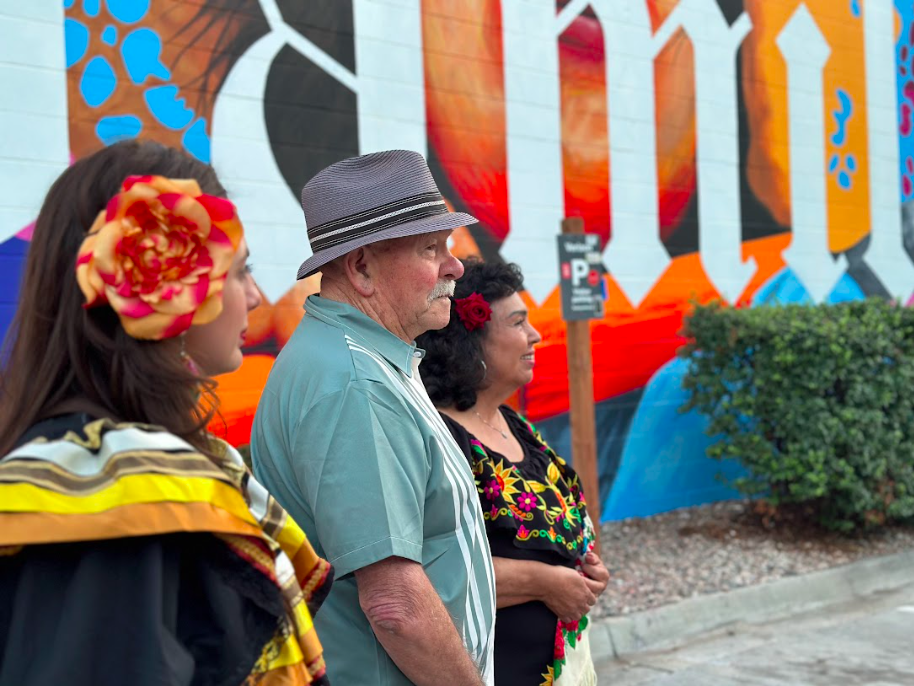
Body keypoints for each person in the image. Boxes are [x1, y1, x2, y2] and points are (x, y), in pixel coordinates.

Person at [0, 140, 332, 686]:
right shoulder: (118, 492)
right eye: (240, 270)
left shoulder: (134, 474)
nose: (254, 296)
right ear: (167, 285)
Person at [252, 150, 496, 686]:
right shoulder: (355, 381)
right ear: (361, 267)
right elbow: (395, 608)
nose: (454, 266)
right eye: (431, 248)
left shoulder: (357, 358)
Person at [416, 259, 610, 686]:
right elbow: (432, 574)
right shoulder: (443, 441)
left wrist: (582, 571)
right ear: (471, 342)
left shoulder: (513, 423)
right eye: (518, 322)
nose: (534, 335)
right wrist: (546, 582)